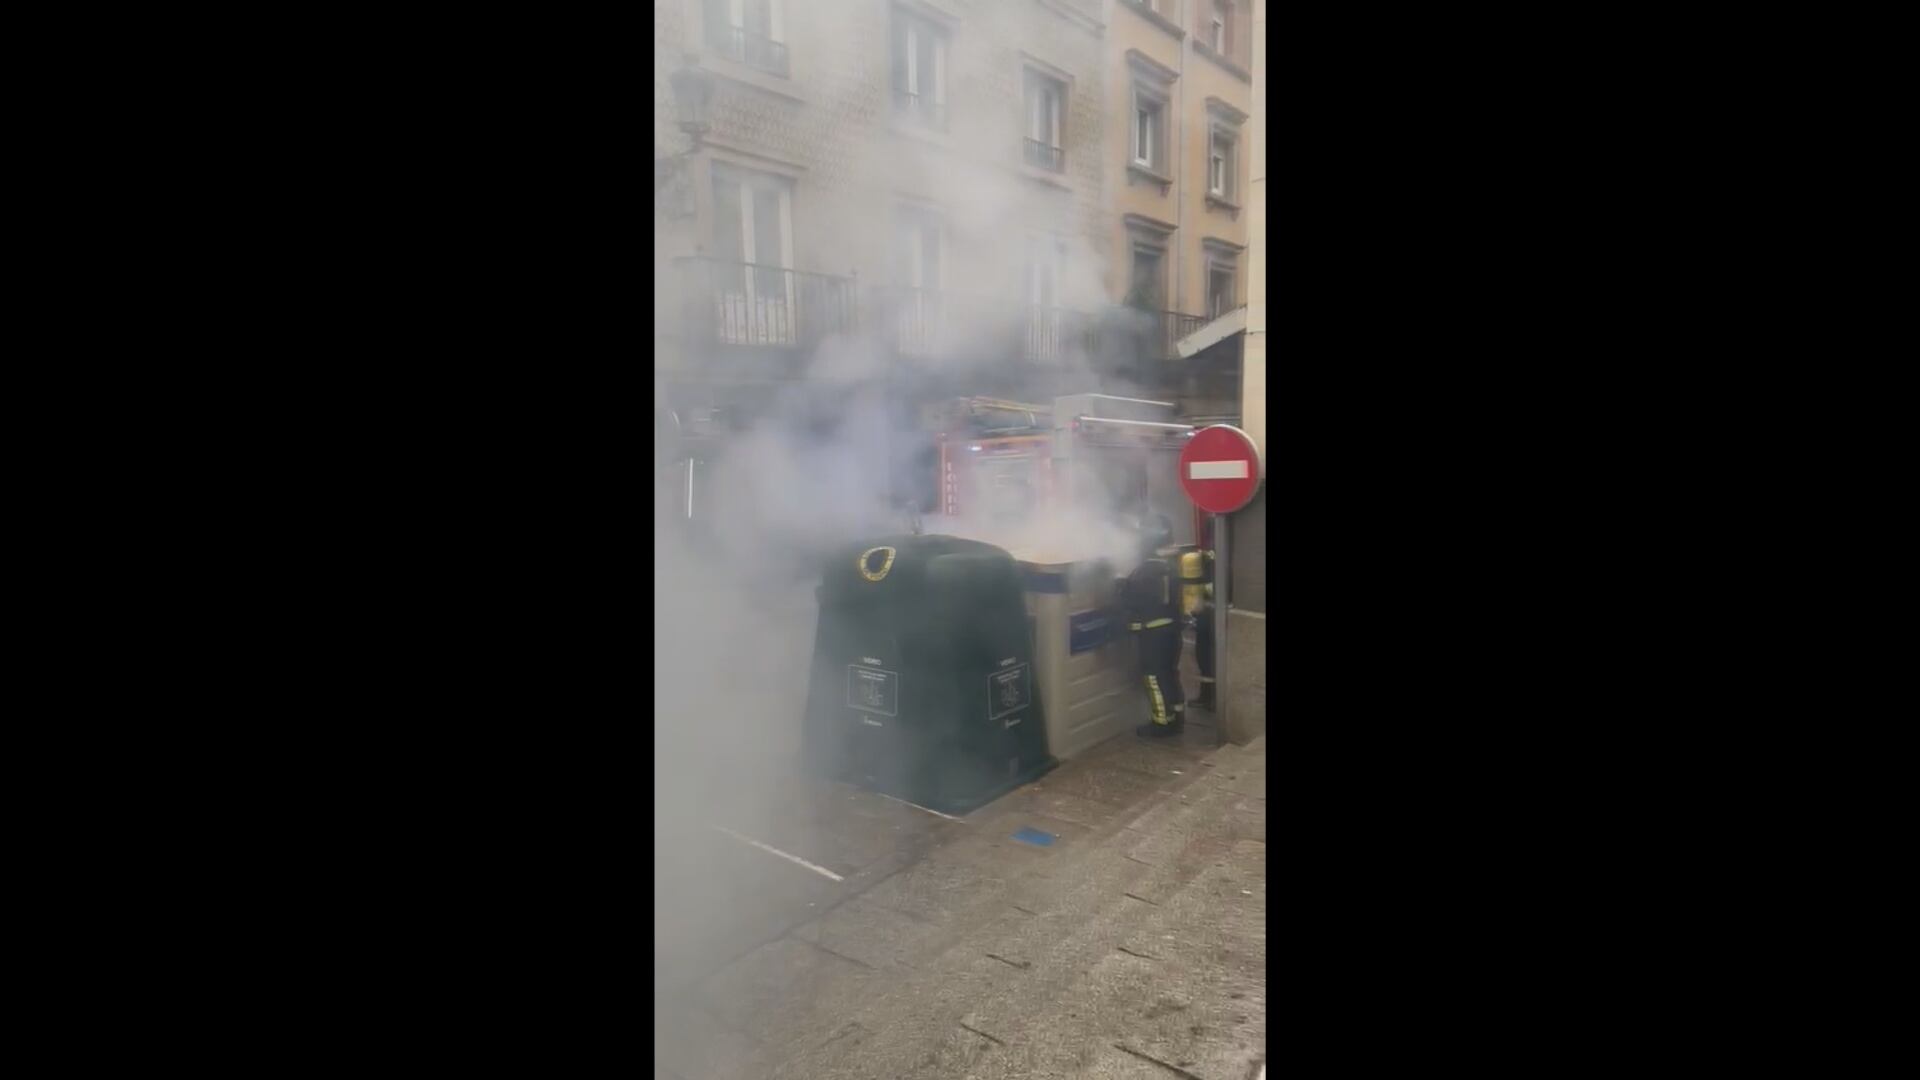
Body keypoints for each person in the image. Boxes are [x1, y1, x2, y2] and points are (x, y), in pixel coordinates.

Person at [1120, 514, 1185, 738]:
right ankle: (1176, 716)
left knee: (1153, 677)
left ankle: (1162, 723)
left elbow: (1130, 601)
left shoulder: (1144, 571)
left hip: (1153, 633)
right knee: (1169, 673)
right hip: (1172, 630)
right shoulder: (1172, 565)